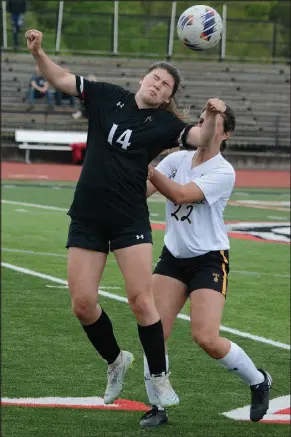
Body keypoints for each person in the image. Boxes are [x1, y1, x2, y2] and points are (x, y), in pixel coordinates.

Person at [25, 28, 227, 408]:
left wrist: (214, 116)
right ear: (142, 79)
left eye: (166, 85)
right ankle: (116, 361)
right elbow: (62, 78)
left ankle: (159, 376)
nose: (158, 85)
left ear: (168, 96)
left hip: (129, 219)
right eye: (155, 78)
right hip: (87, 215)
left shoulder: (165, 125)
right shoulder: (107, 97)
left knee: (140, 300)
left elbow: (204, 140)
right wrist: (38, 53)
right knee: (82, 304)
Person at [139, 105, 272, 427]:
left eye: (213, 123)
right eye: (200, 121)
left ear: (225, 134)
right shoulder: (175, 160)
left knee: (206, 337)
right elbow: (142, 192)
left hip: (209, 259)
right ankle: (158, 406)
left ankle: (258, 381)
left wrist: (145, 165)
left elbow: (182, 195)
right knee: (154, 333)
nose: (204, 127)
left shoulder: (223, 171)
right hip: (173, 257)